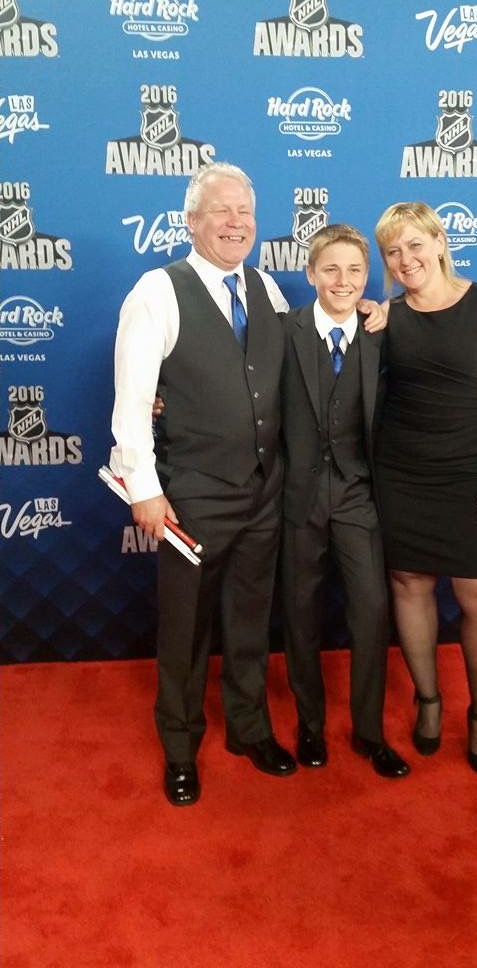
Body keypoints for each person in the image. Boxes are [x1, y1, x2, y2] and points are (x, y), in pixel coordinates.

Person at [110, 161, 297, 806]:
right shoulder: (156, 292)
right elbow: (132, 399)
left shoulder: (271, 291)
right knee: (186, 628)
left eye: (244, 212)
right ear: (191, 222)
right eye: (221, 211)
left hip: (265, 491)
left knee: (249, 620)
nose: (235, 223)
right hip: (190, 493)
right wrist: (144, 487)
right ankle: (181, 747)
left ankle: (248, 729)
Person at [373, 202, 477, 775]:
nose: (405, 259)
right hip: (400, 473)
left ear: (440, 242)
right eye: (392, 251)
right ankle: (429, 700)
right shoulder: (385, 317)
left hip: (472, 474)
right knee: (410, 582)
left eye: (415, 245)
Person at [279, 224, 409, 779]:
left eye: (355, 271)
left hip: (359, 496)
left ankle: (369, 732)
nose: (343, 281)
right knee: (300, 615)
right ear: (310, 274)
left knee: (372, 614)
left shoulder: (385, 332)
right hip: (297, 498)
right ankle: (310, 726)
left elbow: (429, 391)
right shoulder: (280, 332)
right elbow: (225, 381)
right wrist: (164, 400)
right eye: (330, 269)